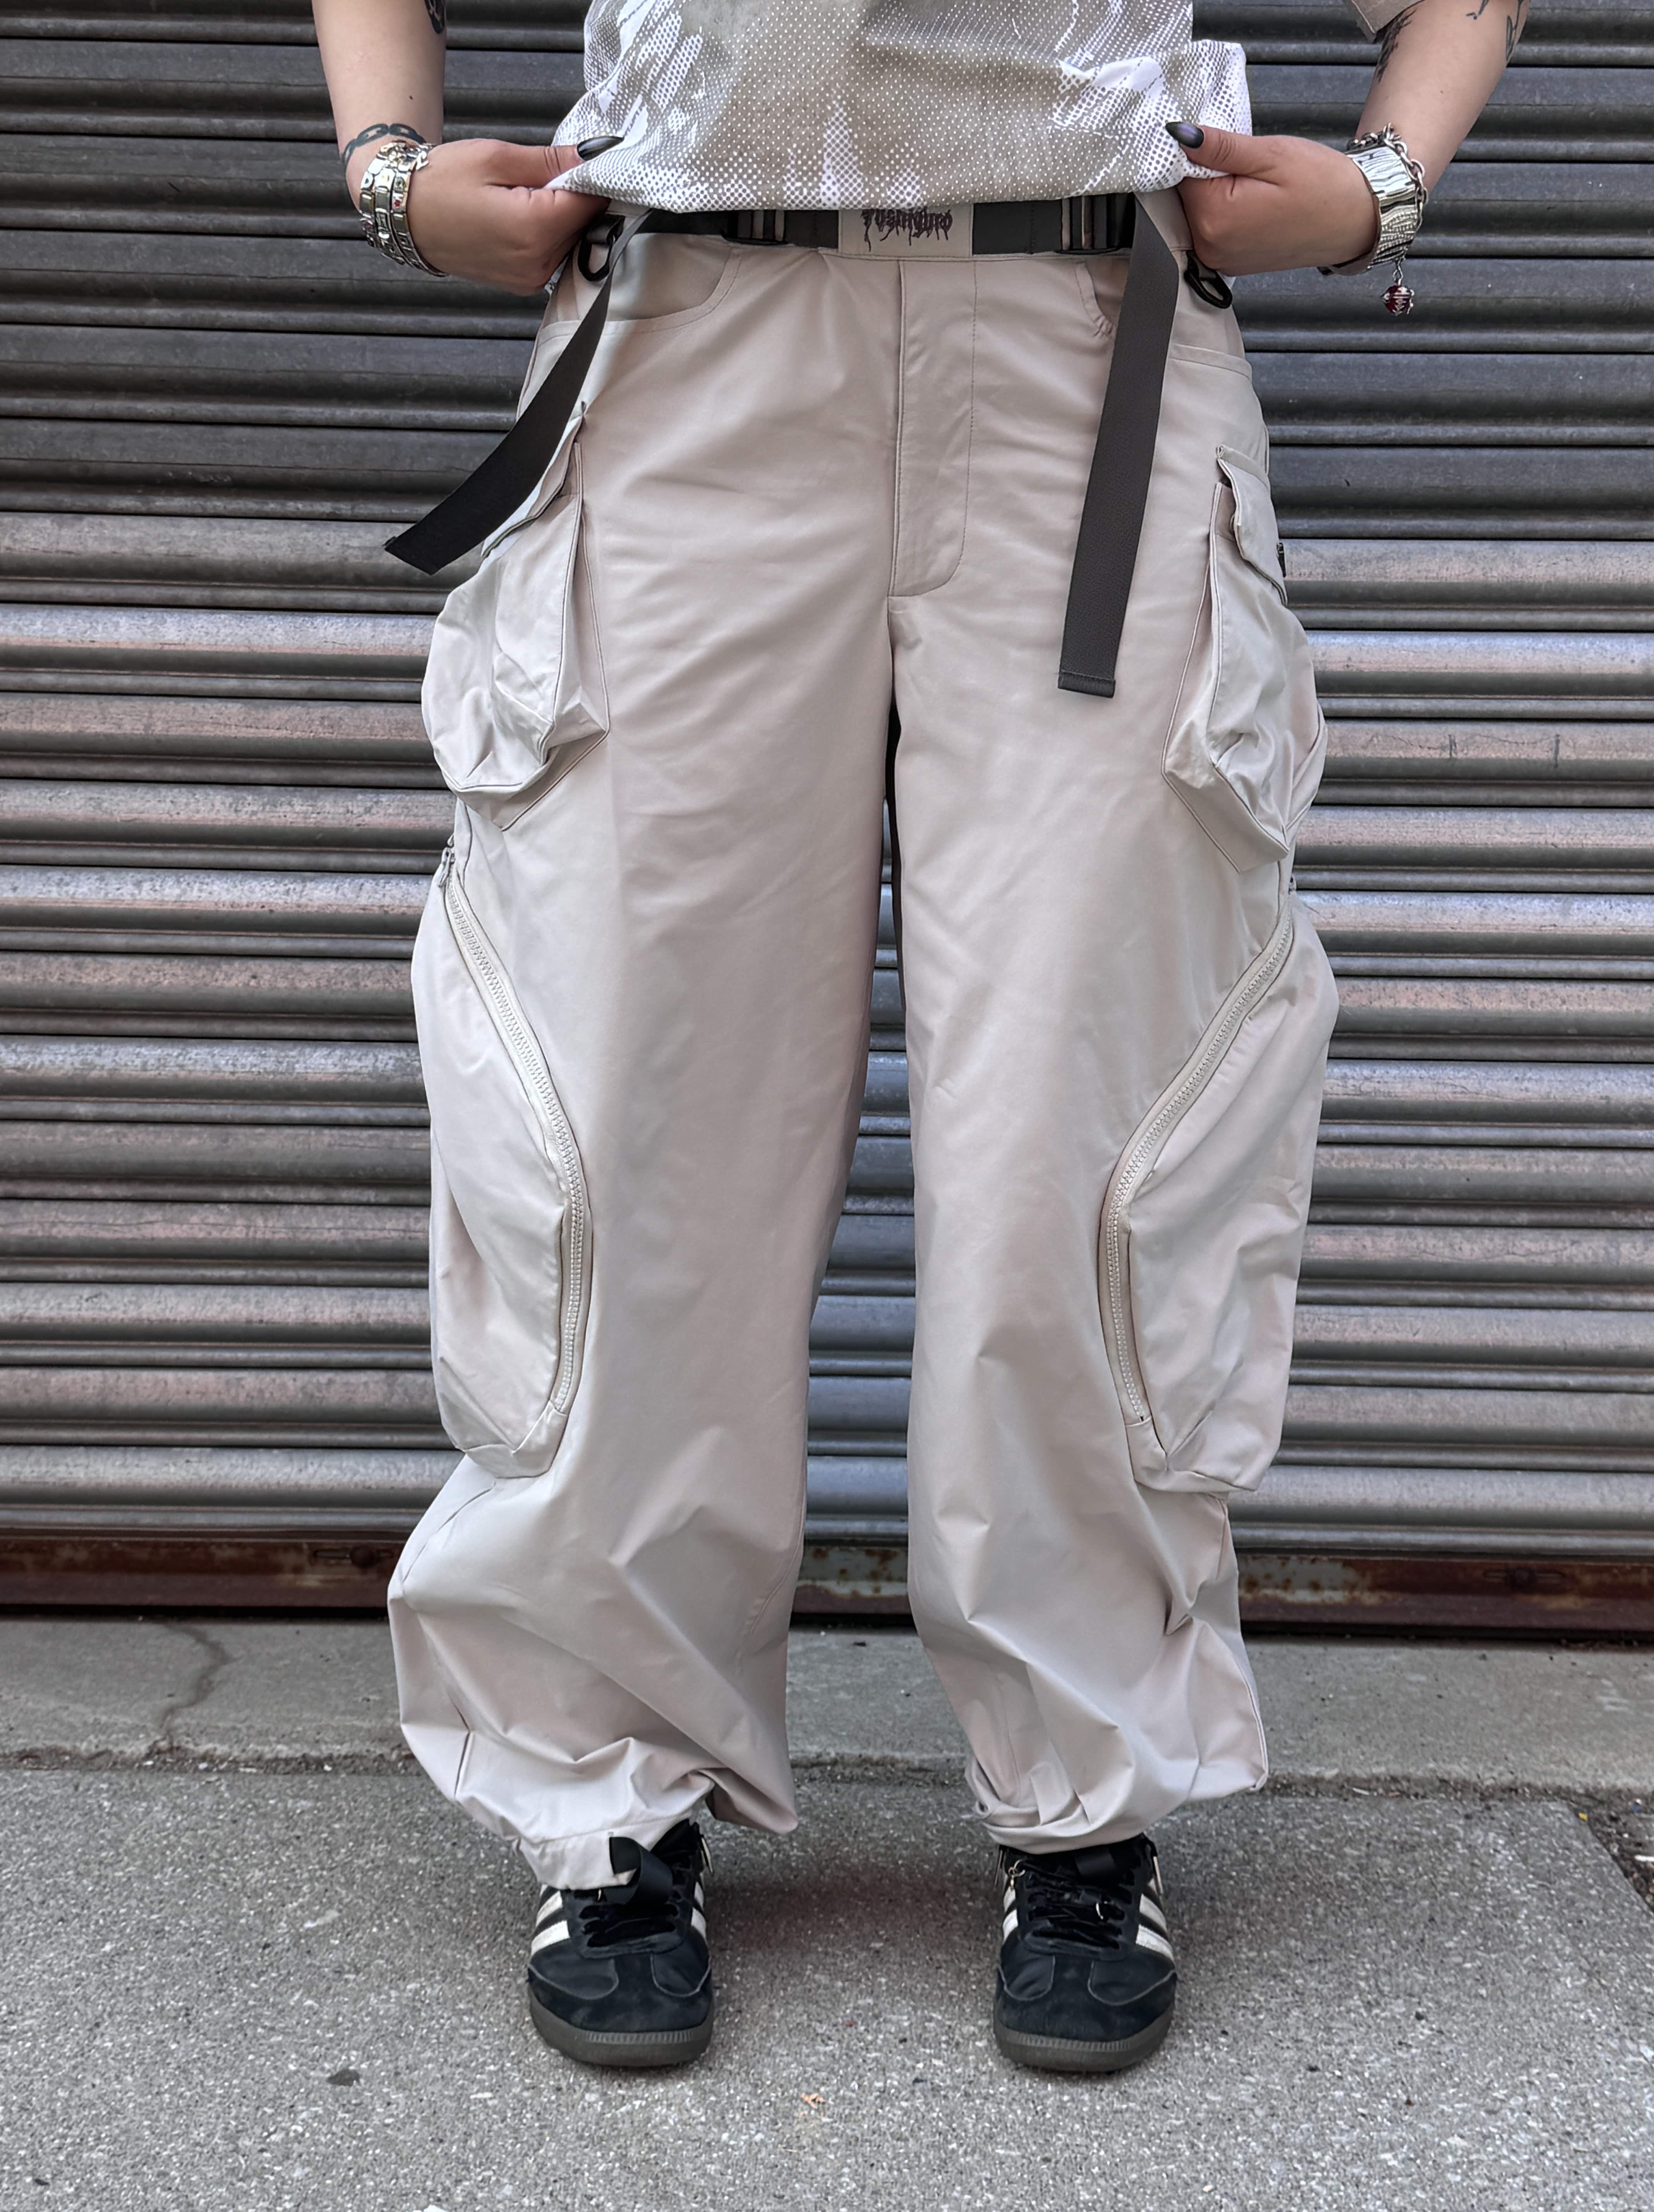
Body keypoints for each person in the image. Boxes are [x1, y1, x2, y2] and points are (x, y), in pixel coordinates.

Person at [312, 0, 1524, 2075]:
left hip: (1087, 351)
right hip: (688, 343)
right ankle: (608, 1788)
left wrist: (1385, 186)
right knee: (623, 1104)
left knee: (1093, 1114)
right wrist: (390, 170)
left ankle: (1089, 1792)